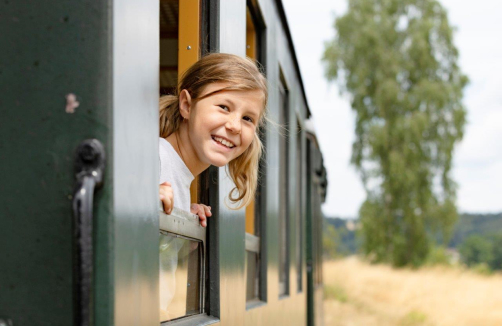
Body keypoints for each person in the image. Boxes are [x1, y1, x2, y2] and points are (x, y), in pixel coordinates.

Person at [158, 53, 268, 320]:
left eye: (248, 119)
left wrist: (183, 224)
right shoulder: (155, 161)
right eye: (223, 107)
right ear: (186, 105)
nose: (234, 126)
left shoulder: (178, 177)